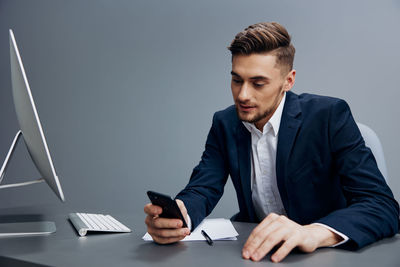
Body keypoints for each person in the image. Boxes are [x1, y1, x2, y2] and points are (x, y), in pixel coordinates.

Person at [144, 22, 399, 262]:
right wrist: (179, 216)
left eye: (258, 83)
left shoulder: (330, 116)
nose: (243, 95)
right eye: (236, 80)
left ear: (288, 81)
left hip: (322, 257)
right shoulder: (225, 123)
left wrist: (312, 233)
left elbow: (382, 206)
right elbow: (203, 188)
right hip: (254, 254)